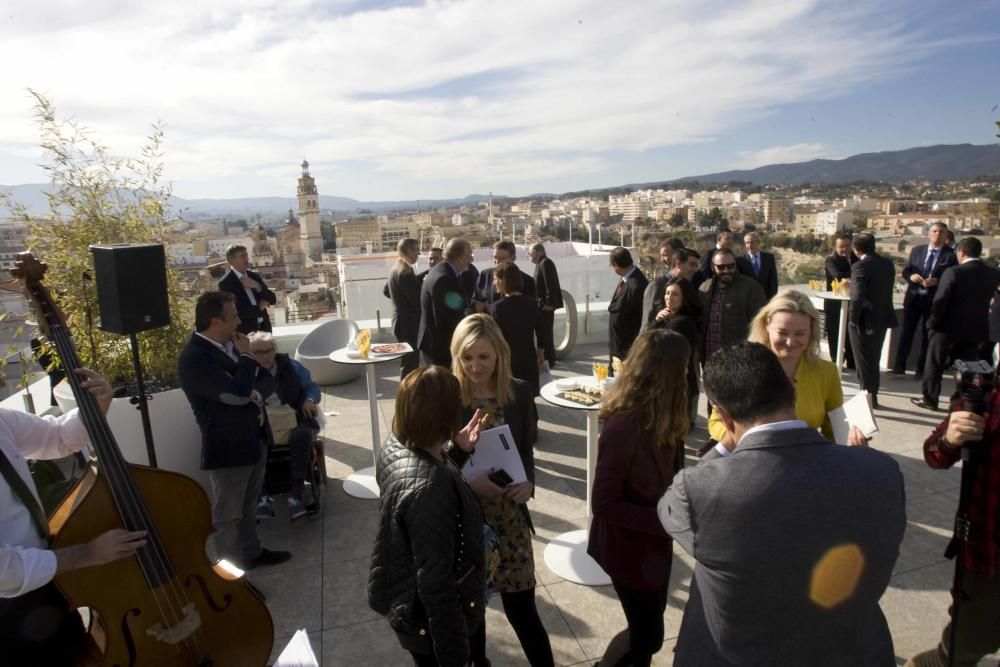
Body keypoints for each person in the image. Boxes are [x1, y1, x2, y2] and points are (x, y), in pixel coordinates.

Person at [657, 341, 906, 666]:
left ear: (722, 415)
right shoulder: (881, 472)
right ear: (791, 389)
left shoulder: (700, 489)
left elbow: (668, 511)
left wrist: (725, 447)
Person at [0, 368, 148, 666]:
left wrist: (95, 406)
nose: (3, 382)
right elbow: (5, 571)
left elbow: (58, 437)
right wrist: (86, 554)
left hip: (48, 585)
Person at [449, 315, 553, 667]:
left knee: (523, 611)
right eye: (467, 357)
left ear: (499, 354)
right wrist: (467, 484)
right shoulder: (449, 396)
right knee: (472, 617)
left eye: (484, 357)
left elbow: (525, 449)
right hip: (466, 523)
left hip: (510, 517)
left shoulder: (519, 392)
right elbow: (433, 466)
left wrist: (529, 483)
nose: (475, 366)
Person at [368, 366, 489, 667]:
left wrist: (457, 453)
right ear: (446, 416)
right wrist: (459, 659)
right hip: (429, 622)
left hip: (406, 601)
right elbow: (437, 585)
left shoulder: (395, 446)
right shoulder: (430, 488)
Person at [588, 329, 690, 667]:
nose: (689, 375)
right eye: (684, 369)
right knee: (647, 636)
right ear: (666, 375)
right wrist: (665, 521)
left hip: (653, 548)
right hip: (628, 550)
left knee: (645, 633)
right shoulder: (624, 427)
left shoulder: (665, 417)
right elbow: (602, 503)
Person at [177, 291, 291, 569]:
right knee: (228, 515)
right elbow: (236, 395)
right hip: (228, 448)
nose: (239, 321)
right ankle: (229, 575)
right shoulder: (195, 357)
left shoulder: (230, 347)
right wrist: (247, 360)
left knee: (249, 505)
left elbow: (265, 379)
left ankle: (251, 553)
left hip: (254, 440)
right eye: (234, 317)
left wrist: (253, 390)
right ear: (215, 322)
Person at [906, 387, 1000, 666]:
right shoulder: (987, 398)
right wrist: (950, 438)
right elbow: (934, 453)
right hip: (988, 557)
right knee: (964, 645)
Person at [706, 289, 867, 447]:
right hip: (753, 461)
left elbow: (833, 431)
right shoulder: (743, 367)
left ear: (812, 331)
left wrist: (850, 441)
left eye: (799, 334)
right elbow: (716, 423)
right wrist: (747, 443)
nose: (790, 342)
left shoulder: (827, 372)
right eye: (782, 332)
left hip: (807, 463)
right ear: (766, 325)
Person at [914, 237, 1000, 411]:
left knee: (935, 364)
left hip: (946, 328)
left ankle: (930, 399)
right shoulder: (992, 273)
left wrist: (932, 323)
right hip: (975, 330)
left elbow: (940, 301)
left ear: (961, 252)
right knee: (967, 367)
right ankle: (962, 401)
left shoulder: (953, 272)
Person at [249, 332, 321, 521]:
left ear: (275, 351)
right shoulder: (246, 372)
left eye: (268, 351)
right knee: (252, 441)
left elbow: (312, 387)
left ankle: (296, 495)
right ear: (250, 353)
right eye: (258, 352)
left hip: (294, 419)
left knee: (302, 436)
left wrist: (309, 400)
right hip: (263, 423)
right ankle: (262, 497)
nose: (264, 356)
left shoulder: (291, 367)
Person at [891, 222, 956, 378]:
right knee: (907, 333)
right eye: (934, 231)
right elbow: (907, 270)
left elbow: (953, 278)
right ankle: (899, 366)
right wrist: (910, 276)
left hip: (933, 301)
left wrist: (937, 281)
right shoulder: (917, 251)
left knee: (928, 336)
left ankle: (922, 369)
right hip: (914, 297)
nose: (937, 234)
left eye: (941, 232)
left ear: (946, 235)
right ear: (929, 233)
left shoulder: (951, 255)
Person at [848, 233, 898, 409]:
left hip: (865, 320)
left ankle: (868, 397)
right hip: (882, 318)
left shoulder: (860, 266)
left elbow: (857, 296)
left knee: (863, 361)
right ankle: (872, 395)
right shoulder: (887, 264)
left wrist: (853, 319)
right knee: (873, 358)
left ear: (856, 248)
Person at [698, 247, 766, 363]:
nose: (726, 270)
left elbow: (761, 325)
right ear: (712, 267)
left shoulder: (751, 288)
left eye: (730, 266)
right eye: (721, 267)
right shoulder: (704, 288)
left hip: (739, 360)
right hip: (709, 360)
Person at [418, 238, 474, 368]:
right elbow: (446, 318)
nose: (471, 260)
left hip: (436, 343)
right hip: (439, 347)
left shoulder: (443, 270)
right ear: (458, 257)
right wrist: (471, 317)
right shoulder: (444, 278)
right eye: (469, 256)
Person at [650, 280, 702, 420]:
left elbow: (651, 345)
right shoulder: (668, 316)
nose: (669, 298)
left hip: (675, 385)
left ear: (684, 298)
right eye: (667, 293)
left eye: (675, 295)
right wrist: (657, 320)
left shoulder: (681, 323)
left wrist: (656, 323)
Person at [491, 263, 543, 396]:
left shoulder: (498, 308)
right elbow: (542, 331)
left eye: (496, 279)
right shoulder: (532, 303)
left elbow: (497, 338)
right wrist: (540, 354)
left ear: (503, 281)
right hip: (528, 356)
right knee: (529, 396)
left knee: (511, 396)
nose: (494, 283)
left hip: (508, 360)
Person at [218, 244, 277, 334]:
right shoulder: (225, 283)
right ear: (231, 260)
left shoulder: (254, 276)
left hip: (264, 329)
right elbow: (234, 313)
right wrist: (259, 307)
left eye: (246, 255)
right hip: (245, 333)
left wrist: (257, 286)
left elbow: (272, 299)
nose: (247, 259)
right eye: (242, 256)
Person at [386, 237, 423, 378]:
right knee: (410, 365)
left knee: (408, 362)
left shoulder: (395, 268)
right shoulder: (406, 272)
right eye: (417, 250)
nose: (418, 254)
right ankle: (407, 395)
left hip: (400, 322)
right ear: (409, 251)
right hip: (408, 325)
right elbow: (417, 300)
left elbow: (386, 291)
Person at [607, 246, 648, 370]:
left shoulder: (636, 285)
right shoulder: (626, 278)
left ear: (616, 265)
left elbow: (640, 317)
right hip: (618, 343)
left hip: (626, 347)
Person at [640, 240, 690, 332]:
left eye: (665, 255)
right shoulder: (657, 285)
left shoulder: (689, 283)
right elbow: (647, 323)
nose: (662, 260)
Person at [473, 241, 535, 313]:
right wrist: (477, 306)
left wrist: (497, 309)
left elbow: (530, 309)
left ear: (513, 258)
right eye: (495, 257)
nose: (497, 261)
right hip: (489, 322)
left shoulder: (527, 281)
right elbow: (475, 299)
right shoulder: (485, 275)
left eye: (502, 258)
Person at [824, 233, 857, 369]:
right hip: (835, 304)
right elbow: (837, 276)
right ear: (836, 247)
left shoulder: (857, 258)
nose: (844, 249)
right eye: (841, 246)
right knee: (834, 334)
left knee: (851, 334)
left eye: (847, 246)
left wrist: (851, 279)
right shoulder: (831, 260)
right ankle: (836, 362)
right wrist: (855, 279)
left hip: (852, 303)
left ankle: (852, 362)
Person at [529, 243, 563, 368]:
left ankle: (550, 360)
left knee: (546, 334)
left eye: (530, 253)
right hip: (541, 306)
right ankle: (548, 359)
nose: (529, 256)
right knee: (544, 333)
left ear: (538, 252)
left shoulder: (546, 263)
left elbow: (551, 285)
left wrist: (549, 304)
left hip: (545, 307)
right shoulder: (540, 264)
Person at [737, 231, 778, 299]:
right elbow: (739, 283)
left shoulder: (769, 258)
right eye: (747, 243)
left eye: (752, 242)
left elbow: (773, 281)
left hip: (765, 299)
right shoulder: (740, 260)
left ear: (758, 242)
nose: (750, 245)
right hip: (748, 299)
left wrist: (772, 299)